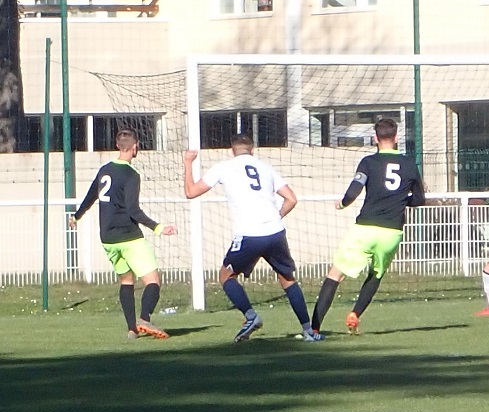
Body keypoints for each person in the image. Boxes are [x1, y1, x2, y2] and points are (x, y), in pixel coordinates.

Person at [183, 135, 321, 342]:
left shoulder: (223, 167)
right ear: (253, 150)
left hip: (249, 234)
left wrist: (188, 163)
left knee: (226, 276)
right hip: (275, 232)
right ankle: (308, 331)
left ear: (232, 151)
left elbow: (191, 192)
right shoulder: (266, 168)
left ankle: (251, 317)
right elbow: (291, 199)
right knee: (287, 279)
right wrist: (276, 217)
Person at [310, 118, 425, 335]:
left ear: (375, 138)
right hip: (392, 232)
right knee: (376, 274)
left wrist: (343, 203)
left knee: (336, 274)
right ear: (396, 138)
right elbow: (419, 199)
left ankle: (314, 329)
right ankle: (355, 313)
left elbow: (354, 189)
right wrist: (400, 201)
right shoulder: (409, 164)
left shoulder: (369, 162)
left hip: (366, 228)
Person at [71, 128, 177, 339]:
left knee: (127, 280)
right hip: (128, 236)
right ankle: (144, 318)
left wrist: (76, 216)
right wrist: (158, 228)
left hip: (108, 238)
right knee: (153, 281)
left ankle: (132, 330)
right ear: (135, 147)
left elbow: (91, 195)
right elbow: (133, 210)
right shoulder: (131, 174)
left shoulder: (104, 170)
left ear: (117, 146)